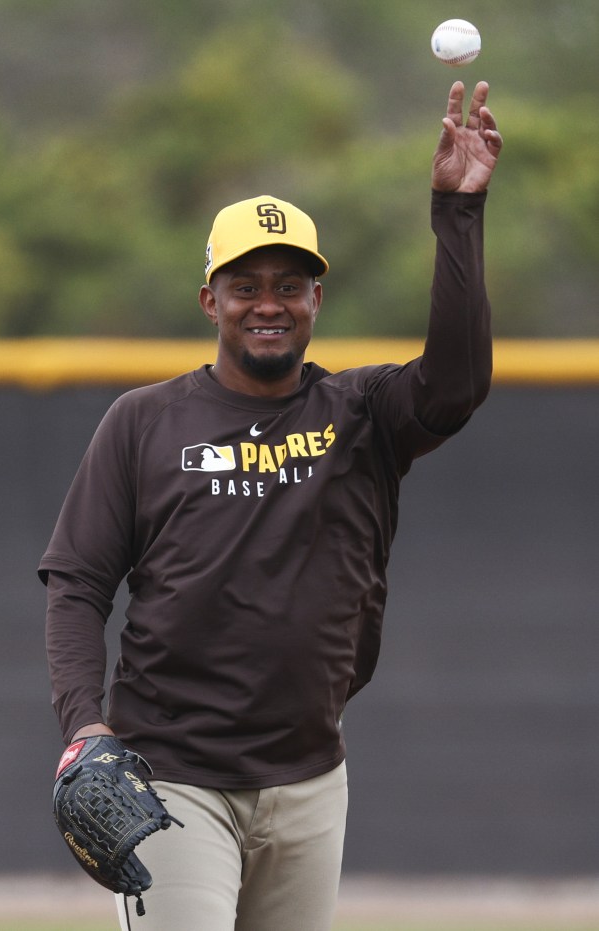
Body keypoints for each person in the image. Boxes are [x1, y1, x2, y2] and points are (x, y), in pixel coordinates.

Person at [40, 80, 502, 931]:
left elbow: (459, 383)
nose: (268, 303)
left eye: (290, 285)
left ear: (316, 301)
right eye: (245, 284)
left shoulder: (359, 414)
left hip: (310, 780)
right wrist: (84, 727)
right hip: (172, 779)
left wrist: (458, 212)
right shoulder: (143, 421)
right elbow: (75, 583)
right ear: (209, 299)